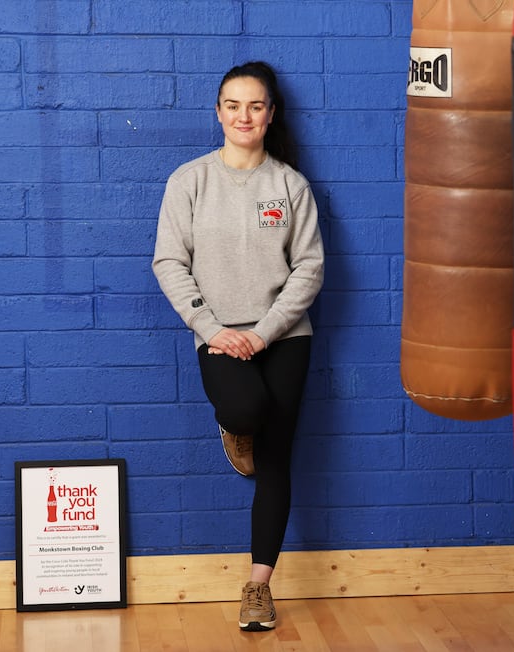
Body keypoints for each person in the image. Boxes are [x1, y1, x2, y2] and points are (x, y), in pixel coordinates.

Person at [152, 61, 325, 632]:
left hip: (283, 336)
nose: (243, 116)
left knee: (277, 457)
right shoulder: (189, 181)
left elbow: (309, 268)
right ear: (218, 111)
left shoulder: (290, 185)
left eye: (256, 105)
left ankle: (257, 587)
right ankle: (234, 427)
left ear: (271, 114)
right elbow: (170, 263)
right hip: (219, 335)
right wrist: (212, 328)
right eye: (233, 105)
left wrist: (264, 331)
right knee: (247, 409)